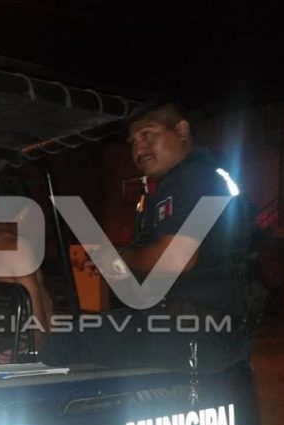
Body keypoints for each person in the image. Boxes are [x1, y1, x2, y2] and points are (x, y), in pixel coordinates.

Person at [41, 99, 262, 372]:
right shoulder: (206, 174)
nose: (139, 148)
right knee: (94, 331)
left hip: (187, 332)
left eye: (147, 134)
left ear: (181, 130)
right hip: (208, 329)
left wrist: (118, 257)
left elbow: (176, 259)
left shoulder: (191, 176)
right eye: (133, 142)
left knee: (61, 345)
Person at [0, 172, 54, 362]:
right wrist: (35, 356)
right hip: (25, 355)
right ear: (24, 211)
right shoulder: (18, 249)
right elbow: (35, 324)